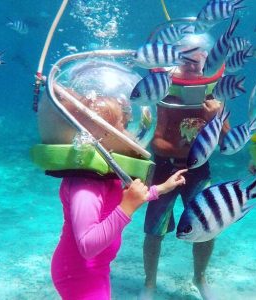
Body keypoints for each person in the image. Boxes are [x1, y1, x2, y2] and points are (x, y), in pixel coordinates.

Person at [35, 65, 189, 300]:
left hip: (96, 269)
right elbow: (87, 245)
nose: (128, 133)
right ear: (99, 136)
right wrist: (127, 208)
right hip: (77, 274)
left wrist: (162, 188)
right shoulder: (85, 186)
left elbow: (128, 197)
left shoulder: (106, 176)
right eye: (121, 126)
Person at [139, 47, 229, 300]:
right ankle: (149, 284)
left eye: (199, 65)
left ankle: (200, 278)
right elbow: (155, 142)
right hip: (165, 170)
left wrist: (218, 117)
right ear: (178, 65)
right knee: (154, 229)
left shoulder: (212, 99)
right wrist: (183, 148)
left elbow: (228, 142)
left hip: (199, 171)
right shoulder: (168, 97)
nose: (193, 69)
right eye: (188, 64)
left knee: (207, 225)